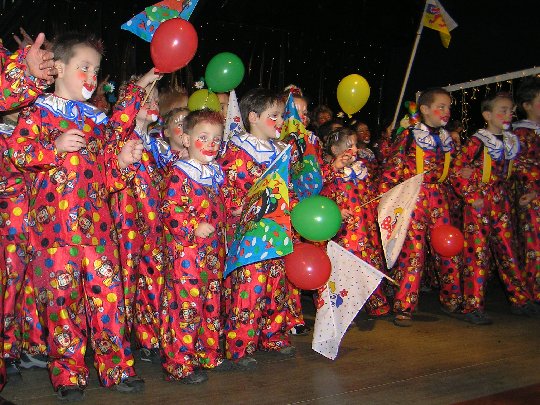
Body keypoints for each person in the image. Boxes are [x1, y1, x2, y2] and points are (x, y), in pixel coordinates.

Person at [4, 32, 159, 401]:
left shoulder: (97, 121)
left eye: (96, 70)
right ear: (58, 68)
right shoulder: (36, 111)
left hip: (98, 231)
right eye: (84, 67)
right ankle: (68, 374)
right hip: (53, 233)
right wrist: (53, 148)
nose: (92, 76)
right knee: (61, 305)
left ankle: (117, 368)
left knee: (109, 301)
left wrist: (123, 162)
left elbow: (109, 176)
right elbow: (17, 154)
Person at [219, 88, 295, 368]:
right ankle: (240, 346)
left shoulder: (281, 152)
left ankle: (272, 335)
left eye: (281, 116)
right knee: (249, 287)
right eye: (273, 115)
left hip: (276, 229)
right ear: (253, 117)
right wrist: (235, 206)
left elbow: (286, 188)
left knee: (276, 285)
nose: (280, 121)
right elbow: (224, 186)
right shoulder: (236, 150)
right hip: (249, 233)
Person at [0, 31, 56, 394]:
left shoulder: (29, 127)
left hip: (29, 221)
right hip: (10, 220)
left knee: (25, 282)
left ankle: (23, 348)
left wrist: (25, 70)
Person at [452, 93, 538, 324]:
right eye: (503, 110)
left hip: (502, 201)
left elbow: (521, 168)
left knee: (508, 251)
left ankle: (520, 299)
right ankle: (472, 306)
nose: (509, 115)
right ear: (487, 115)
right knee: (477, 254)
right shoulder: (477, 141)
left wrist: (531, 190)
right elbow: (457, 169)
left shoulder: (511, 142)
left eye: (511, 110)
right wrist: (472, 195)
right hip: (480, 204)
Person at [380, 87, 462, 327]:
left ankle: (452, 298)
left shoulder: (447, 139)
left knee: (447, 247)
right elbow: (393, 167)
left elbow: (456, 170)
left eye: (448, 107)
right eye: (441, 106)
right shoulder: (409, 136)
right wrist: (384, 198)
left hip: (440, 198)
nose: (446, 111)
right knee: (413, 252)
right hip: (414, 197)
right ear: (425, 109)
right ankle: (404, 305)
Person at [158, 109, 229, 383]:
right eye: (203, 137)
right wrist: (192, 226)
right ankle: (180, 363)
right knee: (186, 308)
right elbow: (169, 209)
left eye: (216, 139)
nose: (211, 144)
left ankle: (206, 354)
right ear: (187, 140)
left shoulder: (214, 174)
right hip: (186, 256)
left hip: (211, 254)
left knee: (210, 305)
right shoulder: (179, 173)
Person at [111, 75, 164, 365]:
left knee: (153, 278)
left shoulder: (158, 143)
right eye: (145, 98)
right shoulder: (120, 136)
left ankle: (149, 338)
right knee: (125, 282)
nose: (152, 103)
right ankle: (119, 341)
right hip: (126, 222)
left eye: (155, 99)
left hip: (154, 225)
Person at [322, 127, 390, 316]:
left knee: (371, 262)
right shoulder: (329, 172)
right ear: (335, 150)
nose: (354, 149)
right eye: (349, 145)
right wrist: (335, 210)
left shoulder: (361, 169)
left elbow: (371, 192)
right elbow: (321, 195)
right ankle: (343, 308)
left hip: (366, 226)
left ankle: (376, 302)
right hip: (345, 230)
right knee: (346, 266)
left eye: (355, 145)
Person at [513, 76, 540, 305]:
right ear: (527, 105)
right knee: (534, 246)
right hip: (532, 197)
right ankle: (534, 292)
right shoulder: (521, 134)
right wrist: (532, 190)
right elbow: (520, 167)